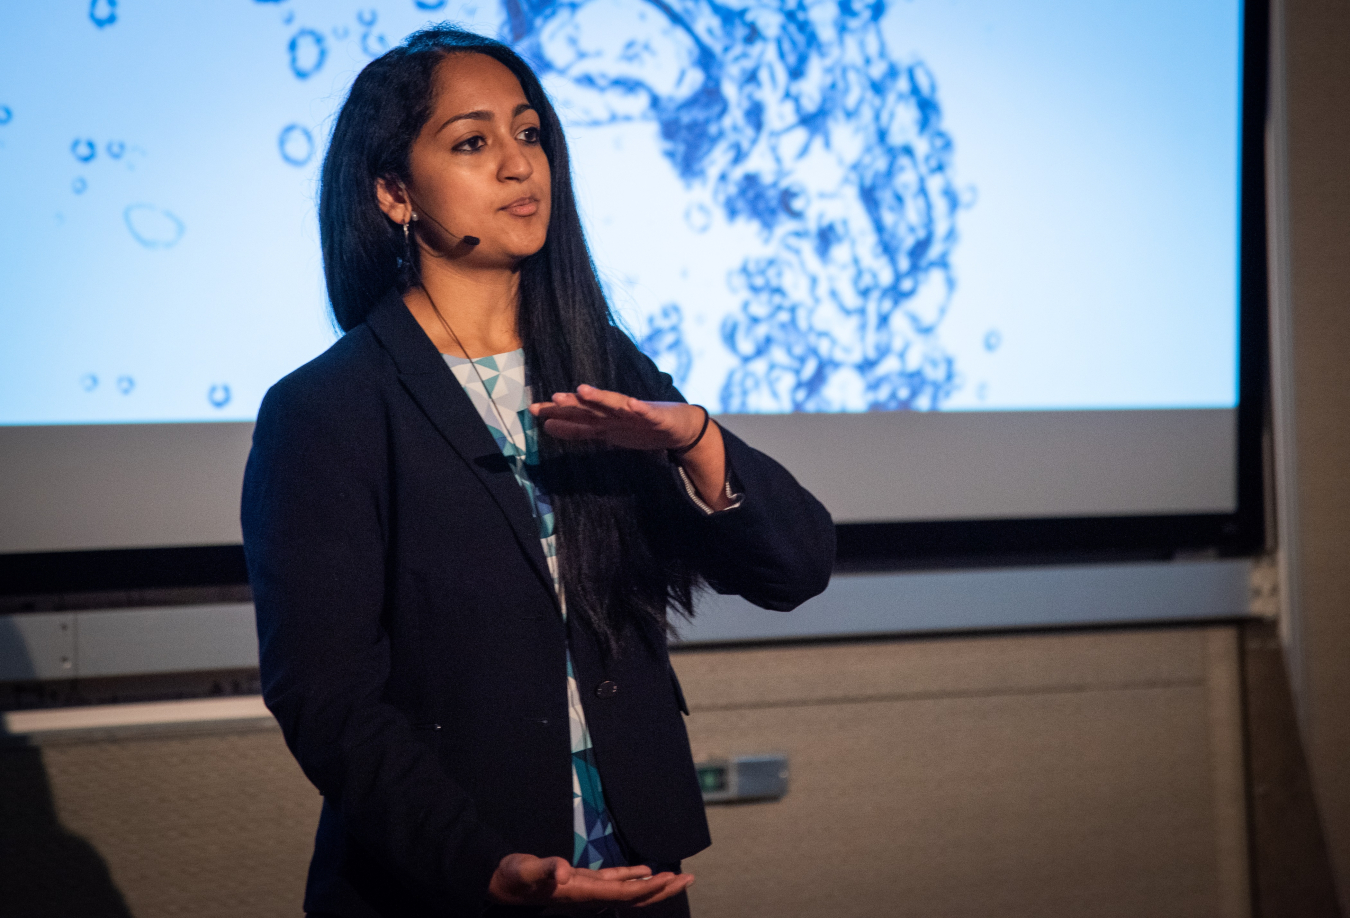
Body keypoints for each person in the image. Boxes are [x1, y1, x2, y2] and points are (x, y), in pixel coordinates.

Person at [240, 23, 835, 918]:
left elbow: (797, 569)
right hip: (450, 884)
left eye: (529, 133)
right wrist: (484, 865)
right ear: (395, 193)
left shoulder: (602, 364)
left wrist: (694, 437)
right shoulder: (327, 409)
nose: (520, 165)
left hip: (636, 869)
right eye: (473, 142)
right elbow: (324, 699)